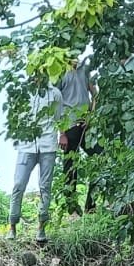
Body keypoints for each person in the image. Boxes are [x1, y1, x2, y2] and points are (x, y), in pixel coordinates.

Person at [9, 83, 63, 244]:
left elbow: (59, 117)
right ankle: (12, 226)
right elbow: (16, 115)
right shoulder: (23, 90)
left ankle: (41, 227)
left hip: (48, 144)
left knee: (45, 186)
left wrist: (63, 134)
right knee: (18, 184)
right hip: (26, 146)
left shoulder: (55, 93)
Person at [56, 59, 99, 215]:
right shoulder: (60, 71)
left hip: (86, 124)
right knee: (70, 166)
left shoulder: (85, 69)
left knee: (100, 157)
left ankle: (91, 206)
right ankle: (72, 208)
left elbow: (95, 94)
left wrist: (91, 116)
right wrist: (61, 133)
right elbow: (55, 102)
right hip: (69, 125)